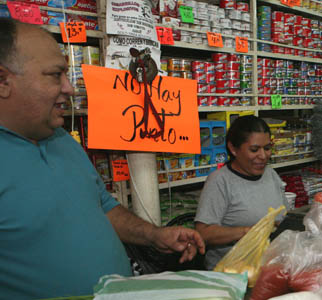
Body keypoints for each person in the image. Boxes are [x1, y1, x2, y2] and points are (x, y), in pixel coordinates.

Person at [0, 19, 205, 299]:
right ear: (3, 81)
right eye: (54, 75)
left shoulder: (61, 139)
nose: (69, 88)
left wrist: (154, 236)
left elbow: (104, 206)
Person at [195, 115, 286, 270]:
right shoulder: (220, 181)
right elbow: (203, 233)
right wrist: (248, 232)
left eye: (267, 148)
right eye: (254, 149)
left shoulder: (270, 174)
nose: (263, 156)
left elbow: (282, 216)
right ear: (233, 149)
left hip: (267, 266)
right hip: (231, 272)